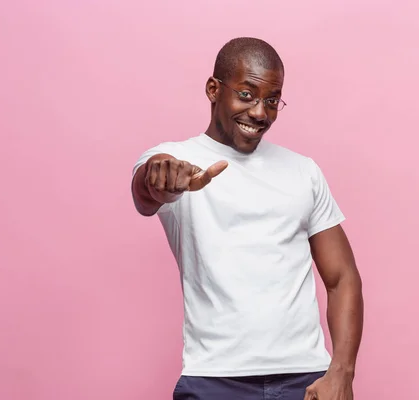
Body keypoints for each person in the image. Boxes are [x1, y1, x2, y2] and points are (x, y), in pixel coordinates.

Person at [131, 37, 363, 400]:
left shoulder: (303, 171)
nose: (260, 113)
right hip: (214, 380)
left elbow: (342, 277)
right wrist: (160, 181)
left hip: (306, 380)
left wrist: (342, 373)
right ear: (213, 89)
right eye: (247, 94)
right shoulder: (173, 159)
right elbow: (146, 193)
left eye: (272, 100)